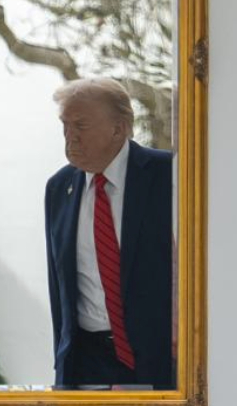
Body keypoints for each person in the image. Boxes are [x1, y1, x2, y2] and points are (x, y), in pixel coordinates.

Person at [45, 77, 174, 388]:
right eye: (65, 125)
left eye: (81, 125)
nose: (69, 137)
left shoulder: (167, 174)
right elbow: (58, 285)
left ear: (119, 128)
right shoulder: (59, 187)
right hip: (85, 363)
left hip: (159, 359)